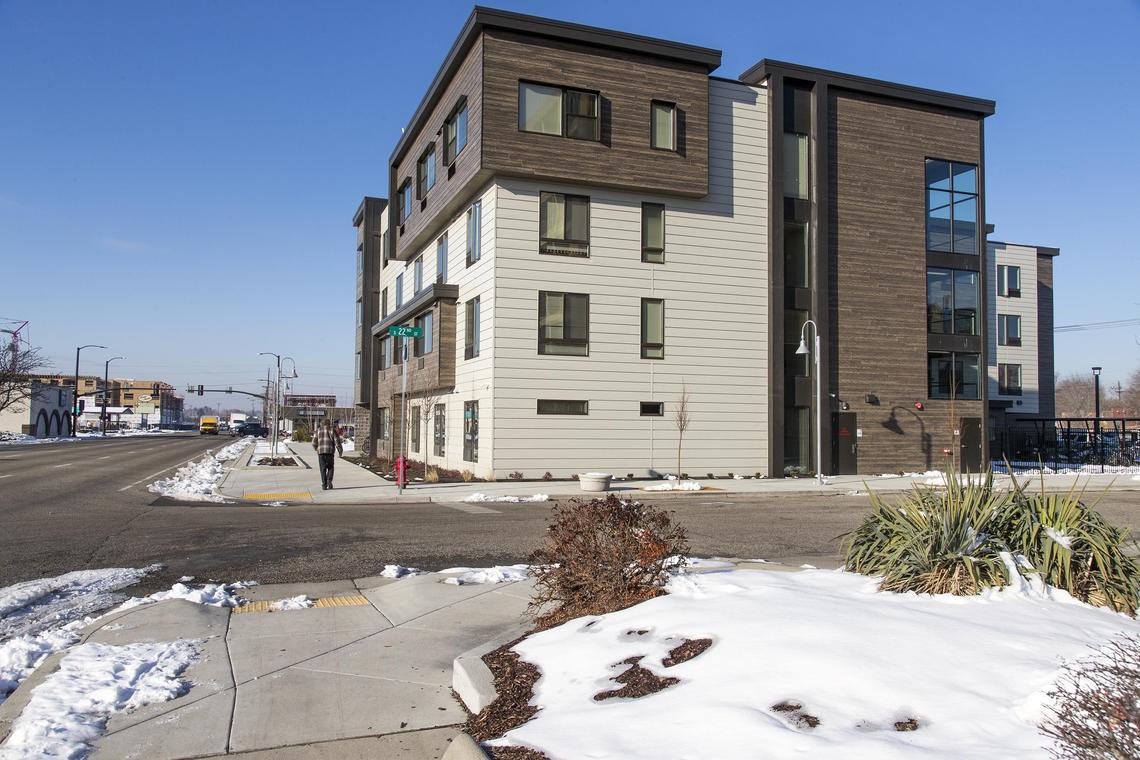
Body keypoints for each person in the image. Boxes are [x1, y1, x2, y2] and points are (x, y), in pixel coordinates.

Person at [312, 419, 343, 490]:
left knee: (322, 468)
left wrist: (317, 449)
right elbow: (337, 442)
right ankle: (329, 481)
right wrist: (340, 451)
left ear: (322, 423)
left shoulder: (318, 430)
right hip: (330, 452)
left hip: (321, 452)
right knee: (330, 467)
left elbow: (313, 442)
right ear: (329, 423)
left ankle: (324, 484)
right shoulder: (332, 430)